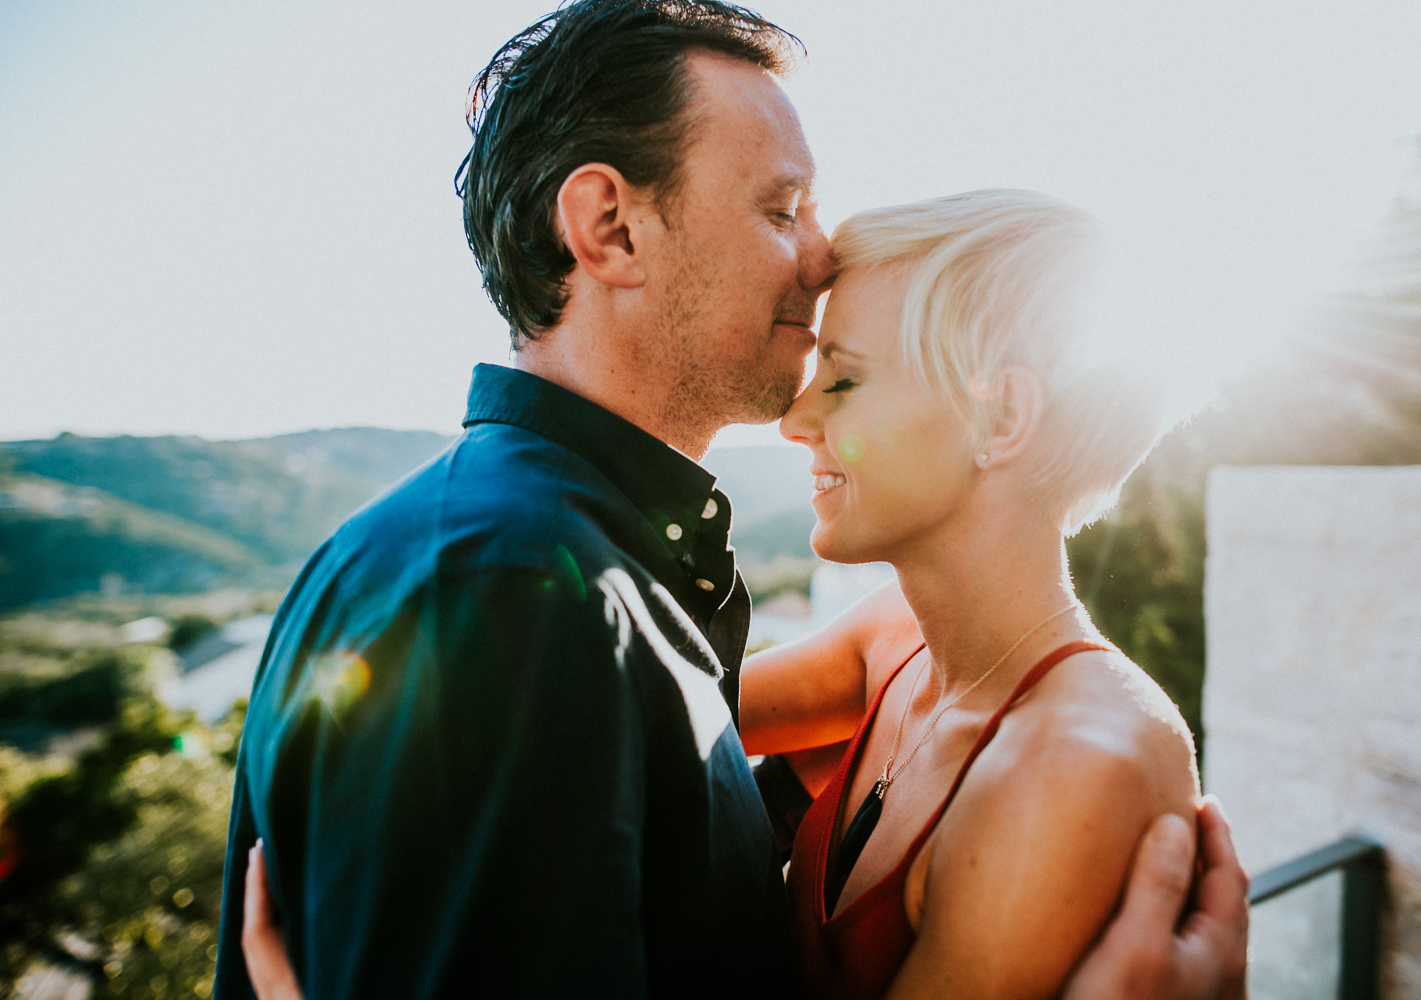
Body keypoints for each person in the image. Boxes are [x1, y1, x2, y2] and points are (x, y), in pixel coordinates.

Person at [218, 2, 1251, 998]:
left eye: (851, 378)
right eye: (779, 206)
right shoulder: (509, 601)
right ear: (611, 228)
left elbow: (643, 779)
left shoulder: (597, 589)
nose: (817, 250)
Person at [738, 189, 1213, 999]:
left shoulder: (1070, 771)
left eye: (844, 379)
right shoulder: (900, 641)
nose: (796, 418)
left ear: (1000, 418)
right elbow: (649, 716)